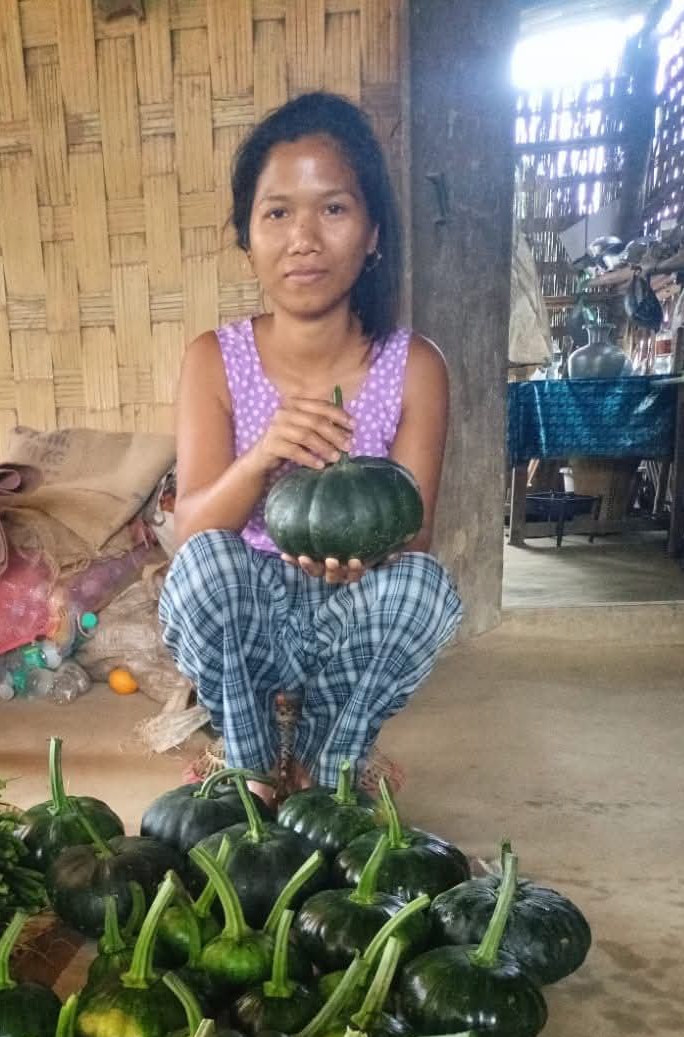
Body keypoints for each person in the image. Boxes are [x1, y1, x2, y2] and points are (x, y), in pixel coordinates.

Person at [159, 92, 463, 802]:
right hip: (252, 615)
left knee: (423, 590)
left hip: (351, 610)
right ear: (247, 236)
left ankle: (332, 765)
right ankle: (252, 762)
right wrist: (264, 454)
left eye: (332, 208)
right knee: (205, 567)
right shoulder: (213, 358)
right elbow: (192, 530)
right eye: (277, 212)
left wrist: (355, 553)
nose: (304, 238)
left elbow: (414, 534)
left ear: (374, 232)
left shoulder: (415, 366)